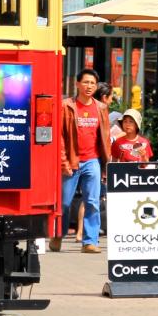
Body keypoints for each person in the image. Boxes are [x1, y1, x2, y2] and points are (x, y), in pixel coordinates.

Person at [52, 68, 110, 254]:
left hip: (93, 161)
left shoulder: (101, 108)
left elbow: (105, 138)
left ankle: (89, 242)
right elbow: (59, 136)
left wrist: (105, 165)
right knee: (64, 203)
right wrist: (64, 162)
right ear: (77, 84)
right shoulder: (66, 106)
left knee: (92, 202)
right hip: (71, 161)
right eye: (85, 82)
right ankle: (58, 235)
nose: (89, 86)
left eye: (92, 83)